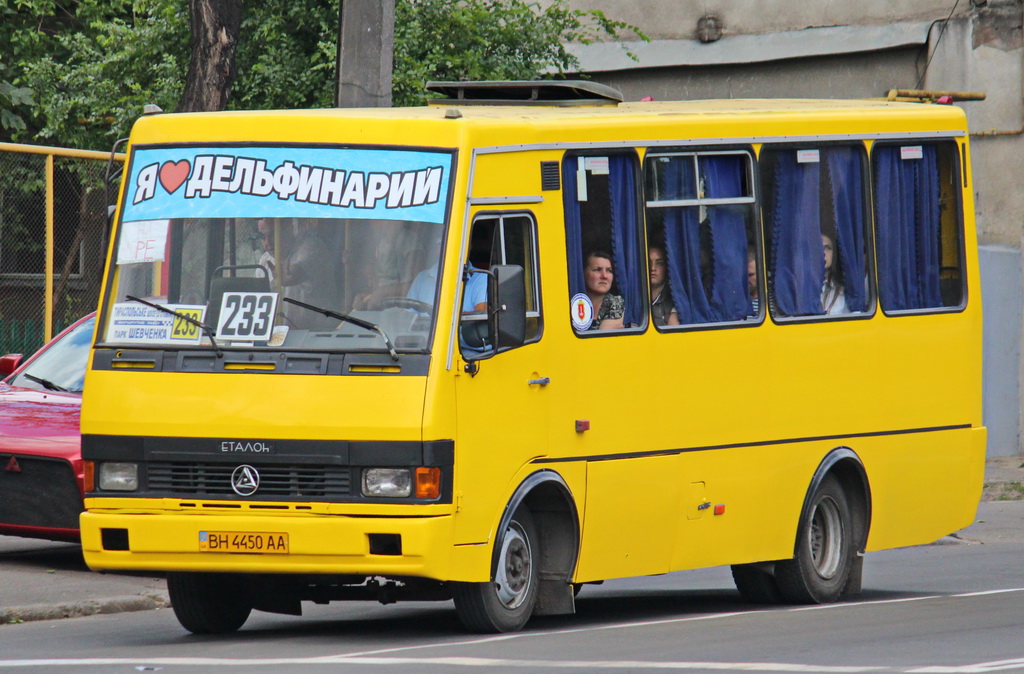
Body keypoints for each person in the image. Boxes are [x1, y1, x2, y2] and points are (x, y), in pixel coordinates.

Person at [584, 250, 624, 331]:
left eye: (609, 271)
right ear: (583, 273)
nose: (604, 276)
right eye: (597, 270)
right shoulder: (574, 302)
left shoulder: (617, 303)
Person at [648, 246, 679, 327]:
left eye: (659, 264)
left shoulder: (674, 299)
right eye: (648, 262)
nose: (653, 268)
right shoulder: (634, 297)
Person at [821, 233, 848, 315]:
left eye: (828, 248)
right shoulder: (801, 289)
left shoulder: (843, 290)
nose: (823, 252)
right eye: (818, 247)